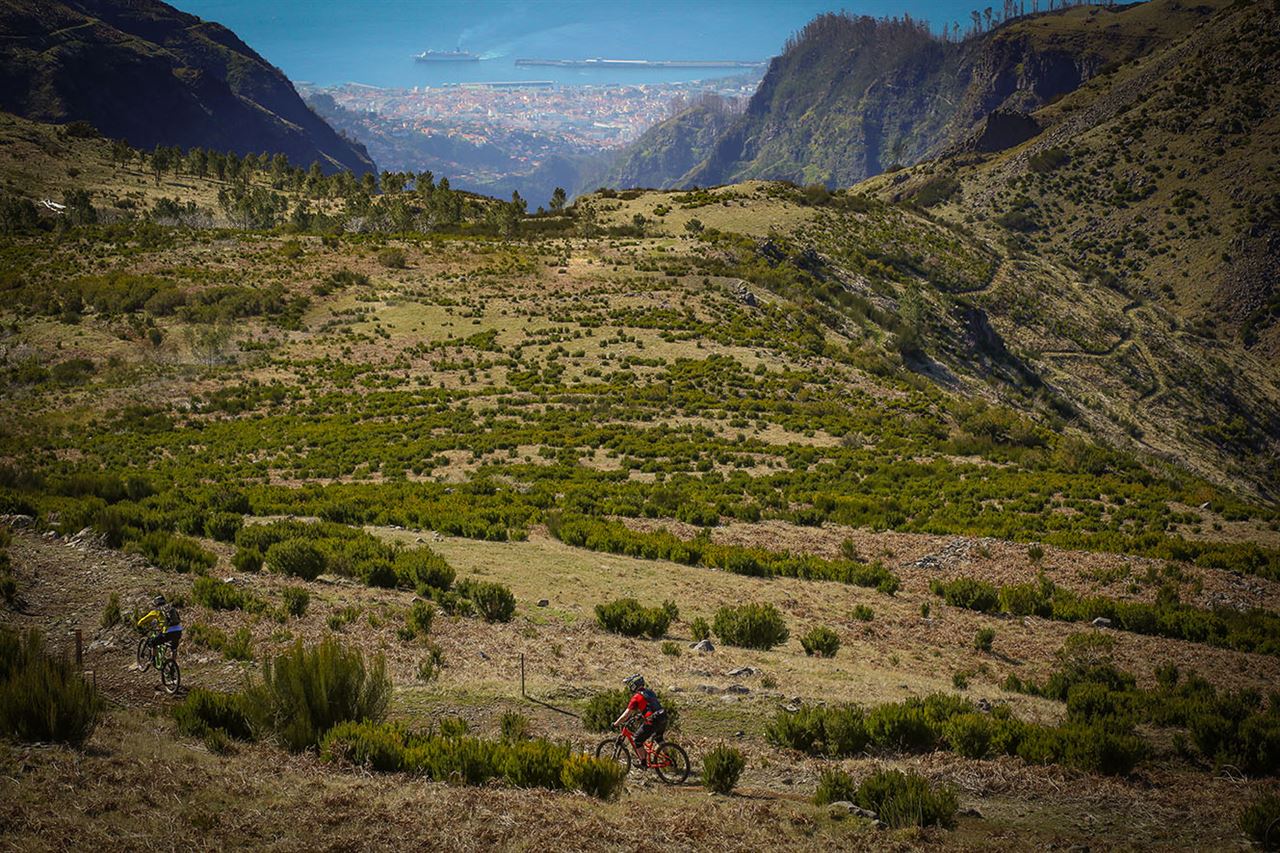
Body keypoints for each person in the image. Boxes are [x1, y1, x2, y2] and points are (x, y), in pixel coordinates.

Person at [613, 673, 667, 766]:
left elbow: (626, 715)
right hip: (663, 716)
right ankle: (669, 758)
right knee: (659, 738)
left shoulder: (636, 697)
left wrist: (616, 723)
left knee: (637, 740)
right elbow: (650, 706)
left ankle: (643, 763)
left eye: (630, 685)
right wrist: (640, 716)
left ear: (634, 685)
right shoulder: (650, 692)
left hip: (652, 720)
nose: (629, 687)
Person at [137, 594, 182, 659]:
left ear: (156, 603)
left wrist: (139, 625)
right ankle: (173, 664)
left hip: (167, 631)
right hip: (178, 630)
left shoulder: (156, 611)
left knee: (153, 643)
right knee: (174, 648)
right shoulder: (172, 608)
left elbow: (143, 620)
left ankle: (152, 659)